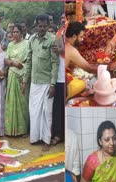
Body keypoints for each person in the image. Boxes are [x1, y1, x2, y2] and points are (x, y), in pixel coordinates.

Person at [22, 14, 59, 151]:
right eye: (40, 26)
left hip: (47, 82)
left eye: (44, 26)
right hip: (35, 82)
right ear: (36, 26)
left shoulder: (53, 40)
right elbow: (29, 61)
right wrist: (25, 80)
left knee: (46, 112)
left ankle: (46, 140)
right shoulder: (32, 39)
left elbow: (55, 63)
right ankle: (35, 138)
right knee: (34, 111)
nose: (42, 28)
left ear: (48, 26)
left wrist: (53, 84)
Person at [5, 24, 29, 137]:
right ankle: (10, 130)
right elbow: (6, 59)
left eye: (17, 32)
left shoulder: (27, 44)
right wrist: (12, 63)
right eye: (13, 32)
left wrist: (19, 65)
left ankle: (22, 129)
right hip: (12, 74)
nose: (14, 34)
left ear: (21, 33)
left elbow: (28, 62)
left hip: (22, 75)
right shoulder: (10, 45)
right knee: (11, 101)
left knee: (22, 102)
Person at [51, 14, 65, 146]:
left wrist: (61, 49)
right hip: (59, 77)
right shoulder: (58, 33)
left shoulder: (72, 32)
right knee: (58, 108)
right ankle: (58, 134)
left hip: (70, 75)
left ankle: (65, 134)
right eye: (61, 17)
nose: (63, 19)